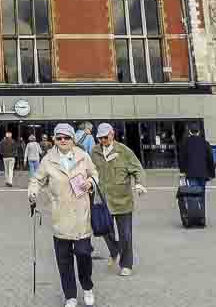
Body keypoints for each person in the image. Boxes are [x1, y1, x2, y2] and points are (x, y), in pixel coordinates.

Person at [28, 122, 99, 307]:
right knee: (64, 260)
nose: (63, 140)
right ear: (54, 140)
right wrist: (33, 191)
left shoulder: (83, 156)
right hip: (60, 216)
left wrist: (90, 183)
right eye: (59, 137)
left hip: (81, 215)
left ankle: (87, 287)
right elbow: (37, 179)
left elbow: (95, 174)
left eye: (66, 137)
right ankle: (70, 296)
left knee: (84, 254)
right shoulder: (48, 160)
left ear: (72, 139)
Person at [89, 123, 146, 277]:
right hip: (102, 200)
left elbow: (137, 169)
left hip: (122, 200)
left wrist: (139, 184)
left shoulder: (124, 151)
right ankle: (115, 251)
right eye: (100, 138)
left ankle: (126, 264)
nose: (103, 140)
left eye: (105, 137)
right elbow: (88, 170)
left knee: (125, 235)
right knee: (104, 230)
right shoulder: (94, 151)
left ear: (112, 134)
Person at [178, 124, 216, 193]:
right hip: (203, 173)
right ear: (199, 132)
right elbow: (210, 159)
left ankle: (195, 203)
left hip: (190, 173)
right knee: (202, 193)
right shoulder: (205, 143)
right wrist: (212, 174)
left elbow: (182, 159)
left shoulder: (185, 143)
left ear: (190, 132)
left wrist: (182, 171)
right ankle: (202, 204)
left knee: (194, 194)